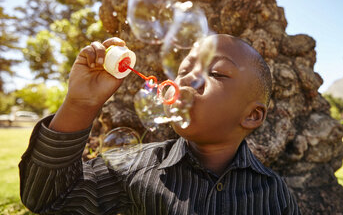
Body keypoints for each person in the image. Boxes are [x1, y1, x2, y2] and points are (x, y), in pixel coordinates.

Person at [19, 34, 301, 214]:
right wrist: (80, 104)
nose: (189, 78)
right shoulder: (135, 168)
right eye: (184, 70)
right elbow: (46, 199)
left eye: (216, 72)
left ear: (252, 115)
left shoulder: (274, 194)